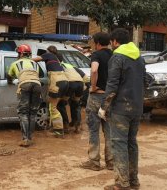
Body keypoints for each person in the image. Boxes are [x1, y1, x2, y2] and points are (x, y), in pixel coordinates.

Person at [99, 28, 147, 190]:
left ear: (114, 42)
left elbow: (112, 85)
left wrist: (104, 107)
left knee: (119, 144)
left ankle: (122, 183)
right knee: (131, 143)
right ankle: (133, 180)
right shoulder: (139, 58)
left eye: (112, 42)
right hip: (137, 107)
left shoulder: (117, 57)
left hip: (120, 108)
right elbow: (145, 81)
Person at [81, 32, 113, 171]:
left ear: (98, 43)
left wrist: (93, 87)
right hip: (110, 98)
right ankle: (111, 162)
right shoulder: (114, 56)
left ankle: (94, 162)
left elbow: (94, 70)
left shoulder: (97, 54)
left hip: (97, 96)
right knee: (109, 130)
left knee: (94, 130)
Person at [7, 44, 42, 147]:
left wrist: (10, 81)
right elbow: (37, 75)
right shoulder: (35, 63)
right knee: (33, 112)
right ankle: (30, 137)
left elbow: (9, 76)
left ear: (21, 53)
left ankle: (25, 139)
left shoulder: (15, 63)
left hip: (25, 85)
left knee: (23, 112)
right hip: (37, 86)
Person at [33, 46, 69, 137]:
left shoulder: (48, 54)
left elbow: (35, 59)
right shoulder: (56, 58)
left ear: (48, 51)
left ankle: (59, 130)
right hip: (65, 82)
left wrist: (25, 59)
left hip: (57, 82)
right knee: (56, 105)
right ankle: (63, 126)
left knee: (52, 107)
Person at [57, 55, 88, 133]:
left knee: (61, 104)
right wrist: (86, 86)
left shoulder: (57, 66)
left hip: (71, 84)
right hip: (80, 84)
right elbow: (85, 76)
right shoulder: (69, 65)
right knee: (76, 104)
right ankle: (77, 126)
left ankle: (65, 126)